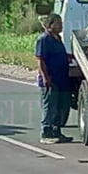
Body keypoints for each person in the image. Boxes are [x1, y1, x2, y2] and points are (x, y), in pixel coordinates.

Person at [35, 13, 73, 144]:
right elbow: (40, 60)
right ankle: (46, 132)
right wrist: (46, 78)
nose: (61, 25)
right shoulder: (44, 39)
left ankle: (57, 131)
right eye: (58, 23)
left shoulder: (58, 39)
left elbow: (60, 55)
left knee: (60, 106)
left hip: (62, 78)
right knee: (49, 106)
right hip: (51, 79)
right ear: (50, 25)